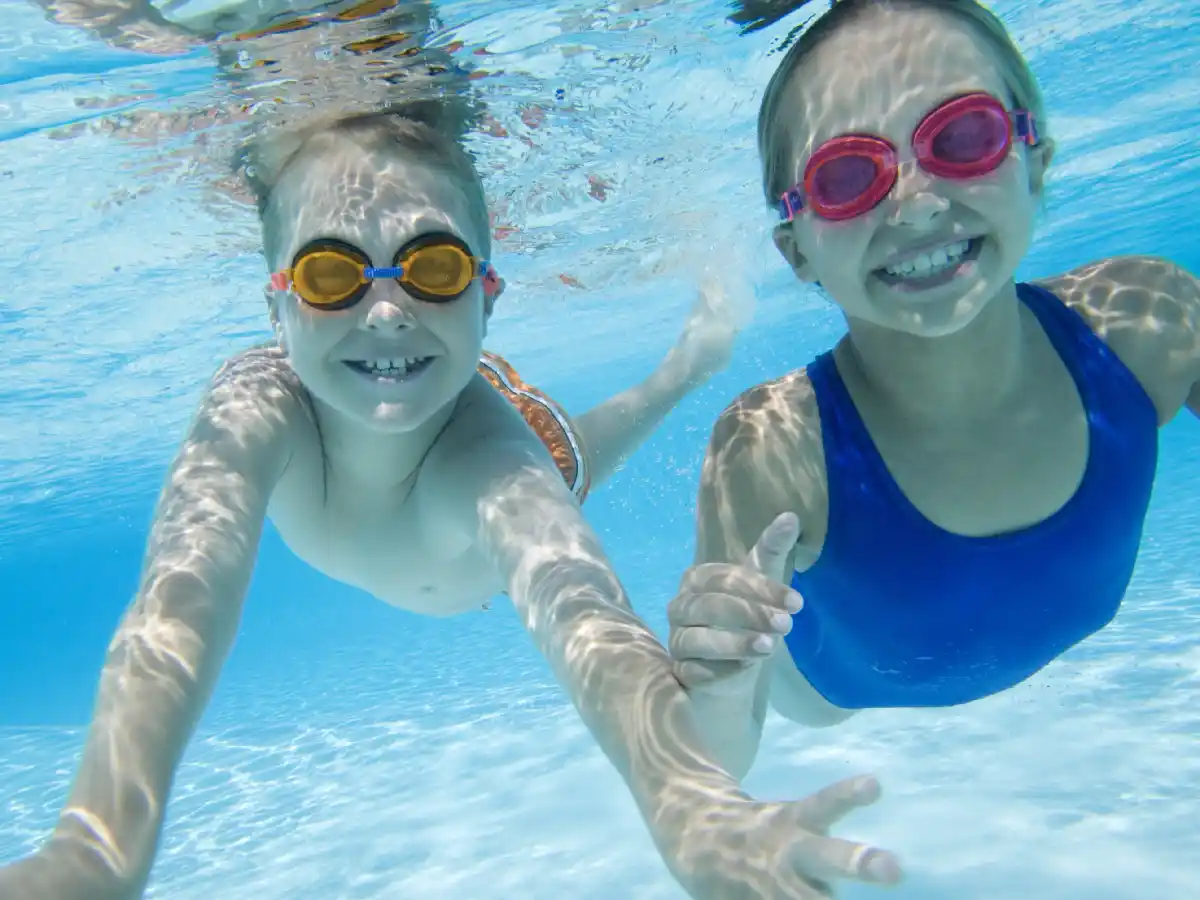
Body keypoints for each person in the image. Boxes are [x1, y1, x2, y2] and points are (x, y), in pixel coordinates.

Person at [0, 107, 905, 900]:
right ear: (275, 307)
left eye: (431, 269)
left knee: (574, 460)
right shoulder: (253, 405)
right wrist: (98, 848)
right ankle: (686, 361)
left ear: (487, 293)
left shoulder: (495, 463)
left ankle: (688, 364)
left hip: (508, 446)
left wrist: (690, 805)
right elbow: (179, 602)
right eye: (329, 275)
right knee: (573, 459)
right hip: (469, 451)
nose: (386, 310)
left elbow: (587, 615)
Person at [670, 0, 1200, 802]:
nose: (916, 204)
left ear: (1036, 162)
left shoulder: (1148, 321)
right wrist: (712, 685)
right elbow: (722, 755)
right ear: (798, 249)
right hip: (829, 693)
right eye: (847, 177)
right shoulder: (770, 449)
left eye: (961, 137)